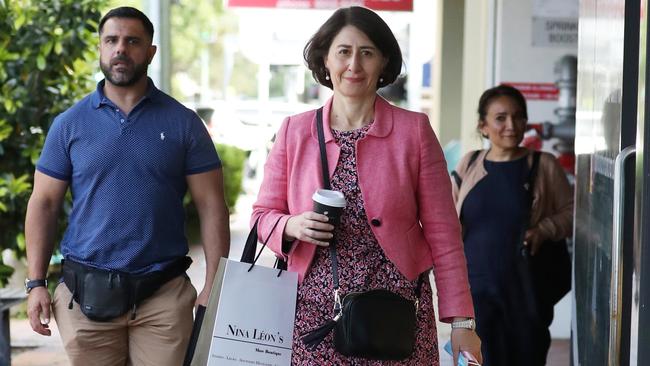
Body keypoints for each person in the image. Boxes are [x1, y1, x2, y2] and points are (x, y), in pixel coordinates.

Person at [252, 6, 481, 365]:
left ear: (383, 62)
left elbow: (444, 234)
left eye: (367, 53)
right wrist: (291, 225)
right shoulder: (294, 131)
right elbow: (261, 216)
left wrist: (462, 320)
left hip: (396, 314)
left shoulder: (414, 131)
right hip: (313, 318)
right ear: (325, 60)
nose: (354, 65)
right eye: (343, 52)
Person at [24, 7, 230, 366]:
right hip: (84, 298)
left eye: (132, 41)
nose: (121, 49)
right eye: (112, 40)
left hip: (163, 296)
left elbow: (212, 205)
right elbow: (43, 203)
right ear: (101, 49)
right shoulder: (69, 125)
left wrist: (214, 283)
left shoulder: (183, 123)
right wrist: (35, 283)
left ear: (151, 51)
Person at [451, 85, 573, 365]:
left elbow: (572, 212)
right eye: (501, 118)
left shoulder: (542, 165)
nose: (511, 125)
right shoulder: (468, 164)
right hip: (475, 293)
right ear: (483, 125)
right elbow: (447, 221)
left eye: (518, 117)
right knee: (477, 361)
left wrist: (544, 230)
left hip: (525, 293)